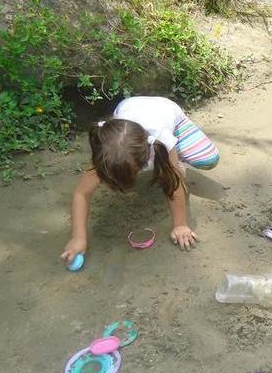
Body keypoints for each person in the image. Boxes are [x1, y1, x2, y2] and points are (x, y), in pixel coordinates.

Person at [61, 96, 219, 265]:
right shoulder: (107, 150)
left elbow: (174, 184)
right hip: (129, 110)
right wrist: (78, 238)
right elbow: (81, 193)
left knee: (207, 159)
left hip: (166, 110)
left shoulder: (162, 141)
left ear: (145, 160)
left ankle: (178, 160)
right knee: (123, 160)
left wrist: (180, 224)